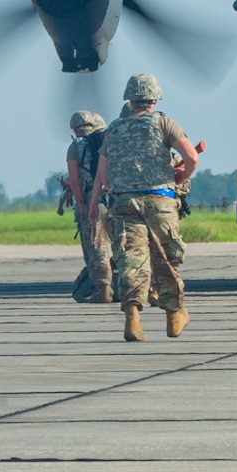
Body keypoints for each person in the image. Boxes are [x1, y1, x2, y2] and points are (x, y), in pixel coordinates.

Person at [93, 73, 197, 342]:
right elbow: (191, 157)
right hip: (159, 201)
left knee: (132, 262)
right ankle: (174, 315)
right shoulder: (164, 123)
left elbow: (103, 177)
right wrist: (181, 178)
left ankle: (133, 319)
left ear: (130, 98)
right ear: (155, 98)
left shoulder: (112, 130)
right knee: (166, 258)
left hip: (125, 203)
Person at [64, 111, 111, 303]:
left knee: (96, 247)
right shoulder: (107, 142)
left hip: (93, 199)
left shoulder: (76, 147)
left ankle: (103, 290)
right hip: (115, 198)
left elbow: (75, 182)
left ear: (75, 128)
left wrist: (83, 205)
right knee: (122, 245)